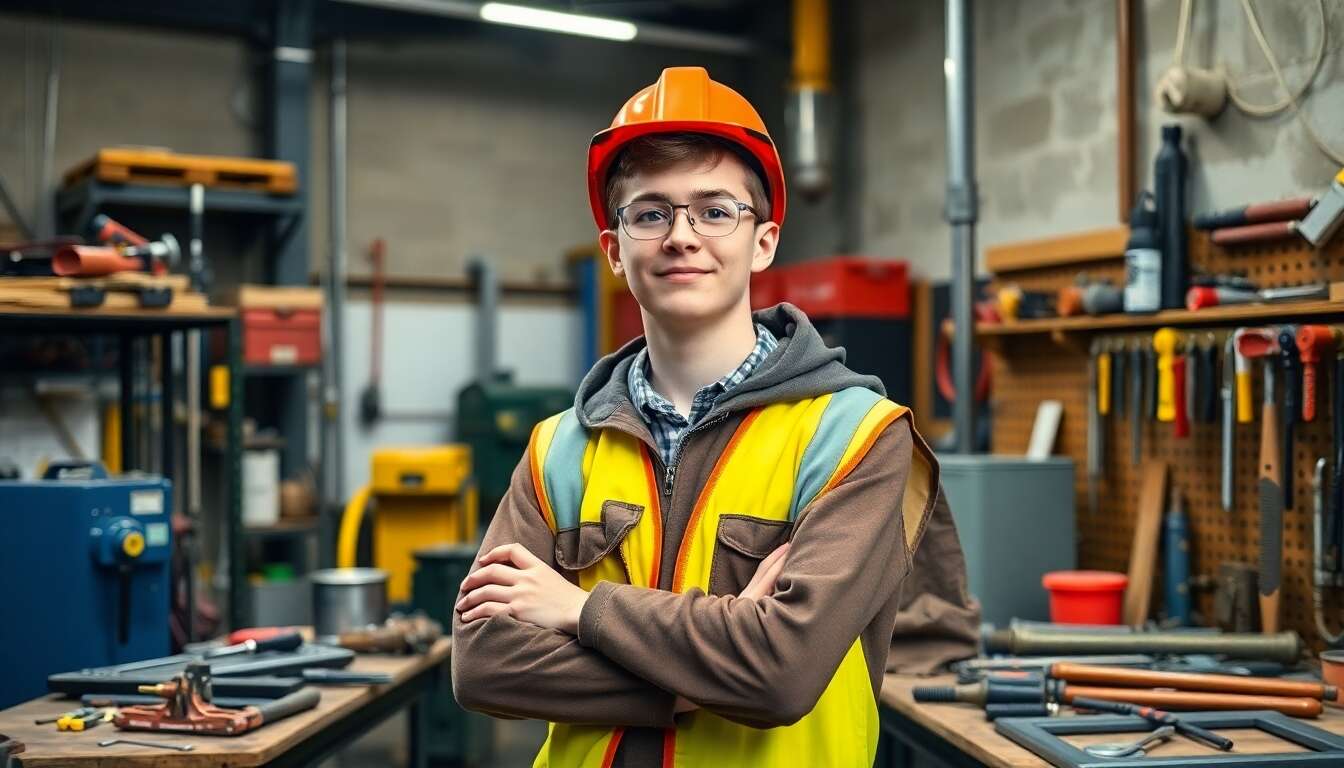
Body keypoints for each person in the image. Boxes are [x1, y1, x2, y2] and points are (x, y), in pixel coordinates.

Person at [452, 66, 978, 768]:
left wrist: (581, 611)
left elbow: (782, 673)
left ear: (763, 241)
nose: (682, 235)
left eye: (716, 210)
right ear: (614, 250)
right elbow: (483, 665)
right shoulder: (558, 450)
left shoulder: (855, 437)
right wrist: (695, 680)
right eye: (650, 213)